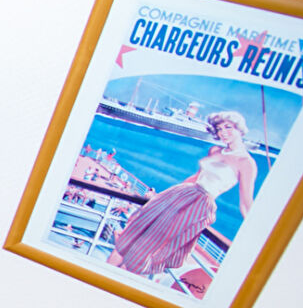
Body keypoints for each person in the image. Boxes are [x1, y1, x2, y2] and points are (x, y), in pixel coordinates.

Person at [107, 111, 257, 275]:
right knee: (138, 232)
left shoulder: (247, 163)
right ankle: (106, 273)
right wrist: (163, 196)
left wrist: (254, 231)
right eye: (220, 129)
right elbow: (197, 177)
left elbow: (245, 203)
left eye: (228, 127)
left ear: (240, 129)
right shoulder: (215, 150)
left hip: (199, 205)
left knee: (154, 244)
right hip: (182, 193)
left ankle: (122, 276)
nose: (223, 133)